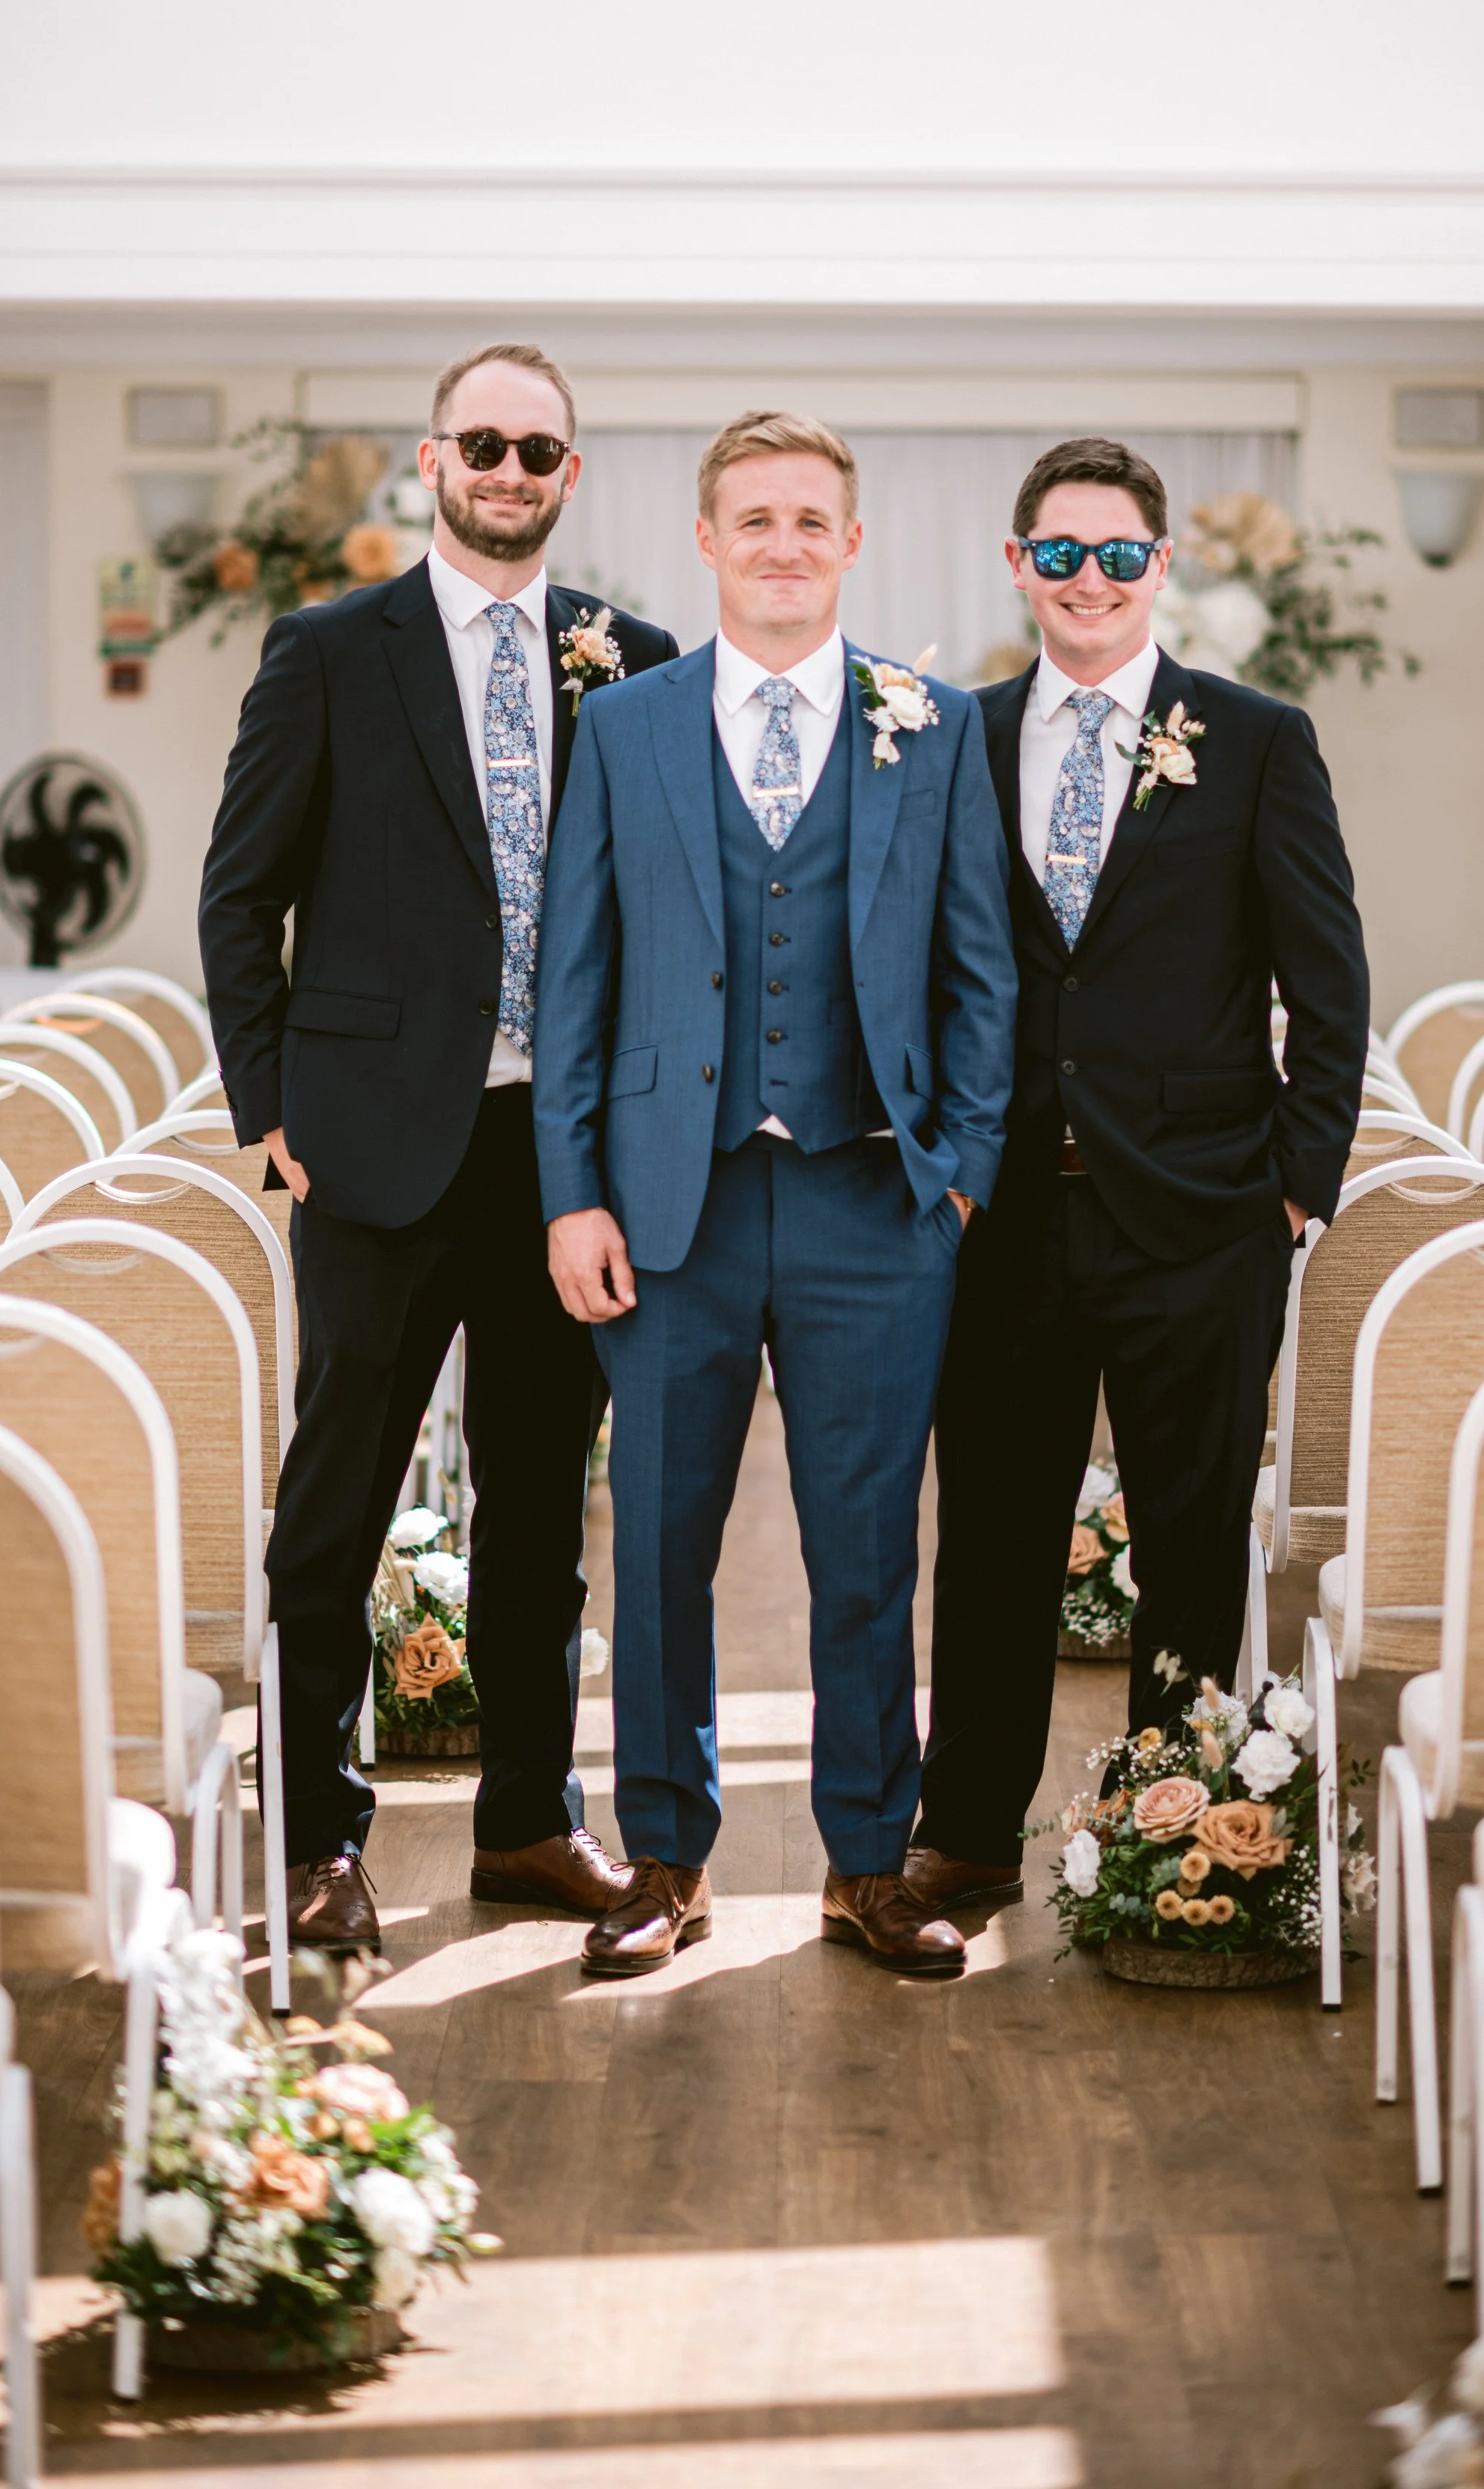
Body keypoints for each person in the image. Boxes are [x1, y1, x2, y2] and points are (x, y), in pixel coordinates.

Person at [199, 344, 679, 1947]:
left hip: (559, 1156)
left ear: (568, 474)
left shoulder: (633, 656)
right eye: (483, 443)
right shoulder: (328, 651)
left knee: (547, 1508)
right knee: (336, 1504)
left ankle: (529, 1825)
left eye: (538, 450)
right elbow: (237, 896)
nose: (508, 470)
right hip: (371, 1151)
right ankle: (319, 1842)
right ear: (432, 459)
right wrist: (267, 1123)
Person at [532, 410, 1017, 1980]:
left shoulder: (929, 725)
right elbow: (575, 985)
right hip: (663, 1209)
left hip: (870, 1209)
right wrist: (571, 1195)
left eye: (812, 520)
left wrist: (952, 1178)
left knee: (865, 1546)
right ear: (707, 539)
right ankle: (664, 1861)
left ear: (852, 544)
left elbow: (977, 979)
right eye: (755, 519)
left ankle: (868, 1864)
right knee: (659, 1543)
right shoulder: (626, 728)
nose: (784, 545)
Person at [909, 437, 1368, 1916]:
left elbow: (1329, 980)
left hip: (1199, 1218)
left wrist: (1294, 1183)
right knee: (987, 1539)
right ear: (1017, 567)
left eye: (1116, 554)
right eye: (1058, 553)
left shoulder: (1253, 738)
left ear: (1157, 567)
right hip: (1001, 1222)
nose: (1087, 580)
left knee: (1184, 1548)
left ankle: (1173, 1841)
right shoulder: (947, 742)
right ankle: (967, 1833)